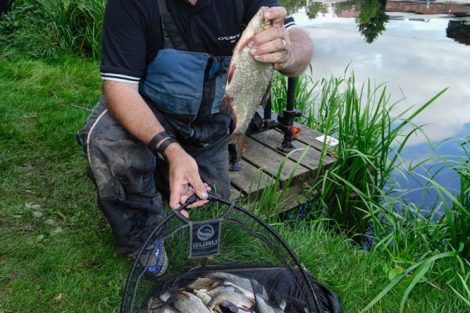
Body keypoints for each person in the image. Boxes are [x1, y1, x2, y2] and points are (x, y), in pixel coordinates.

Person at [77, 0, 313, 276]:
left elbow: (300, 42)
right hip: (151, 111)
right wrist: (172, 150)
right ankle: (141, 235)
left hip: (210, 126)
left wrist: (287, 53)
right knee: (108, 144)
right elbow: (119, 88)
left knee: (208, 203)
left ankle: (158, 174)